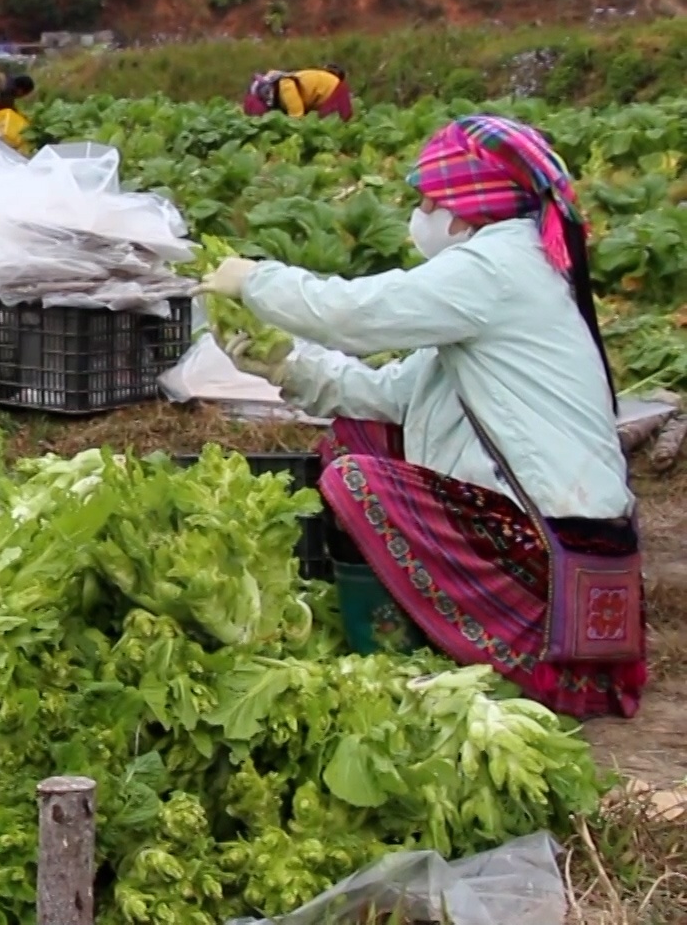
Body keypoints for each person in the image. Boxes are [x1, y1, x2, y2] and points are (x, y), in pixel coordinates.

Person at [198, 114, 642, 720]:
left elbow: (353, 312)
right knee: (359, 434)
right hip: (569, 542)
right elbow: (391, 394)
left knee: (359, 479)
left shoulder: (494, 268)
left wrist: (256, 281)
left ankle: (500, 655)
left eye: (430, 202)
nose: (422, 216)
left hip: (552, 544)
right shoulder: (507, 275)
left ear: (465, 209)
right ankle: (442, 629)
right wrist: (285, 368)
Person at [243, 65, 353, 120]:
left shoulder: (286, 89)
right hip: (329, 89)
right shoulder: (282, 85)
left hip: (334, 91)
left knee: (332, 126)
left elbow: (297, 117)